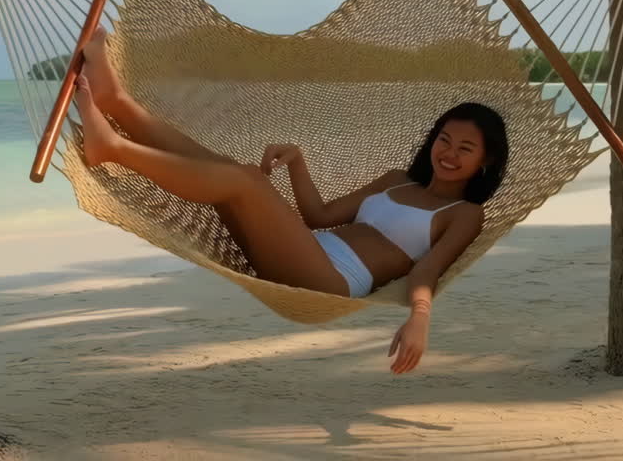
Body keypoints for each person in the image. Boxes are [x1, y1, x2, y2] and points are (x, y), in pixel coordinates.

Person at [74, 27, 509, 374]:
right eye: (444, 140)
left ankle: (111, 148)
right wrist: (298, 161)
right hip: (306, 250)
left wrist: (420, 318)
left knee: (244, 180)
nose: (448, 154)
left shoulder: (465, 214)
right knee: (226, 167)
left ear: (485, 161)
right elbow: (319, 216)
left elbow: (429, 270)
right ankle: (118, 104)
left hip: (332, 280)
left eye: (464, 149)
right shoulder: (396, 180)